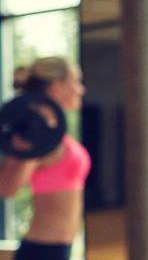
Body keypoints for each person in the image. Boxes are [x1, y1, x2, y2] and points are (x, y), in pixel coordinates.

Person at [0, 56, 90, 260]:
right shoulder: (34, 129)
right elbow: (7, 187)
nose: (80, 89)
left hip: (57, 250)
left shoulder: (51, 130)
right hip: (42, 251)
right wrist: (30, 146)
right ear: (57, 86)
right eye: (76, 81)